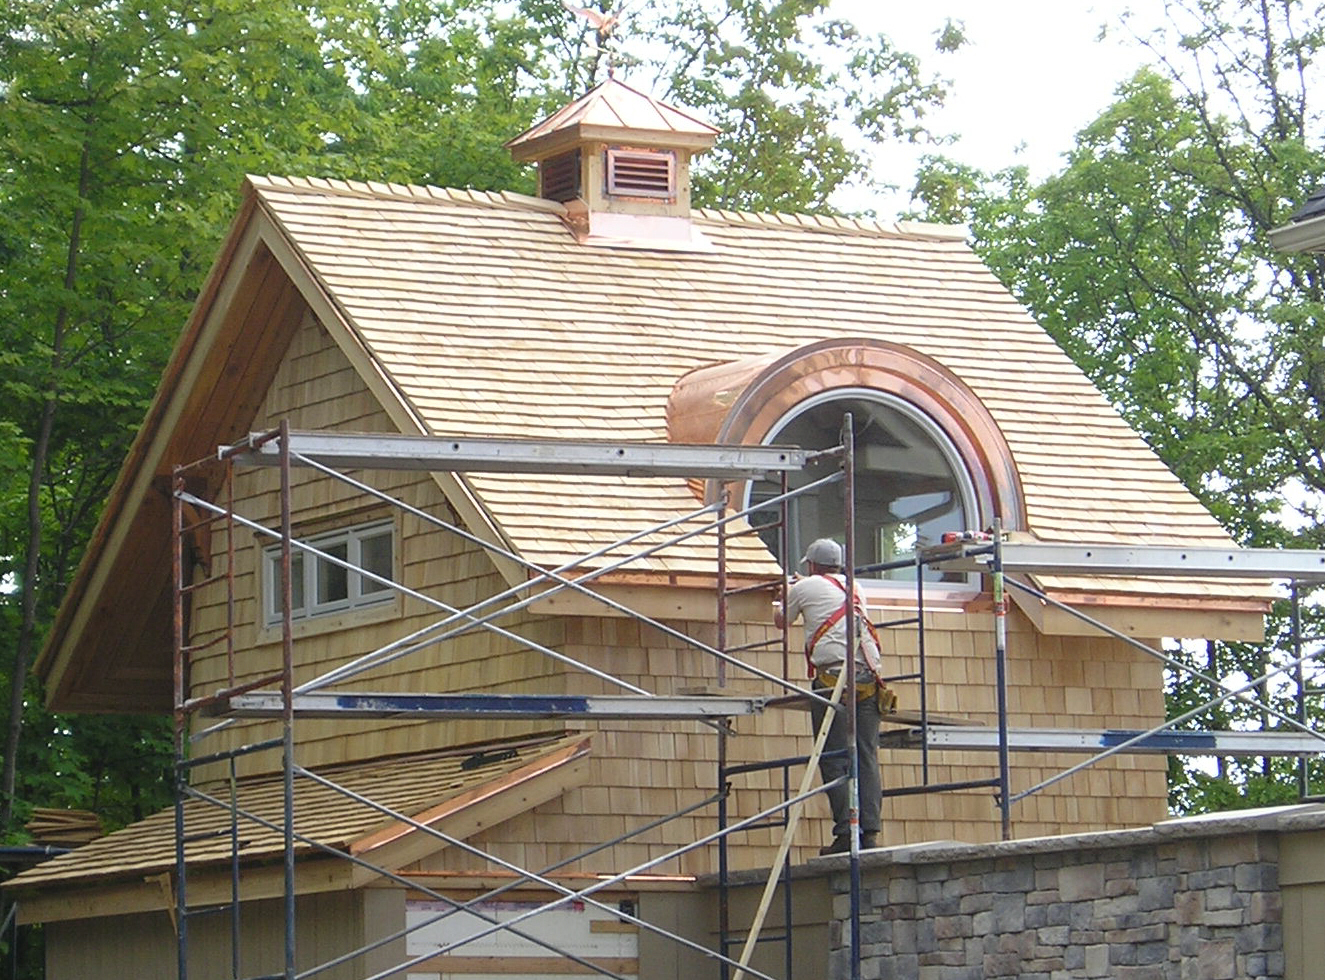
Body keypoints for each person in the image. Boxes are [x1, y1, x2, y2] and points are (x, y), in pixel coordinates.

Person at [773, 538, 885, 855]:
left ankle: (846, 834)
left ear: (811, 565)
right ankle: (869, 832)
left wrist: (787, 593)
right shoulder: (855, 587)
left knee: (835, 756)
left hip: (834, 678)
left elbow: (783, 620)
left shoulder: (805, 586)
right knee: (866, 755)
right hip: (869, 676)